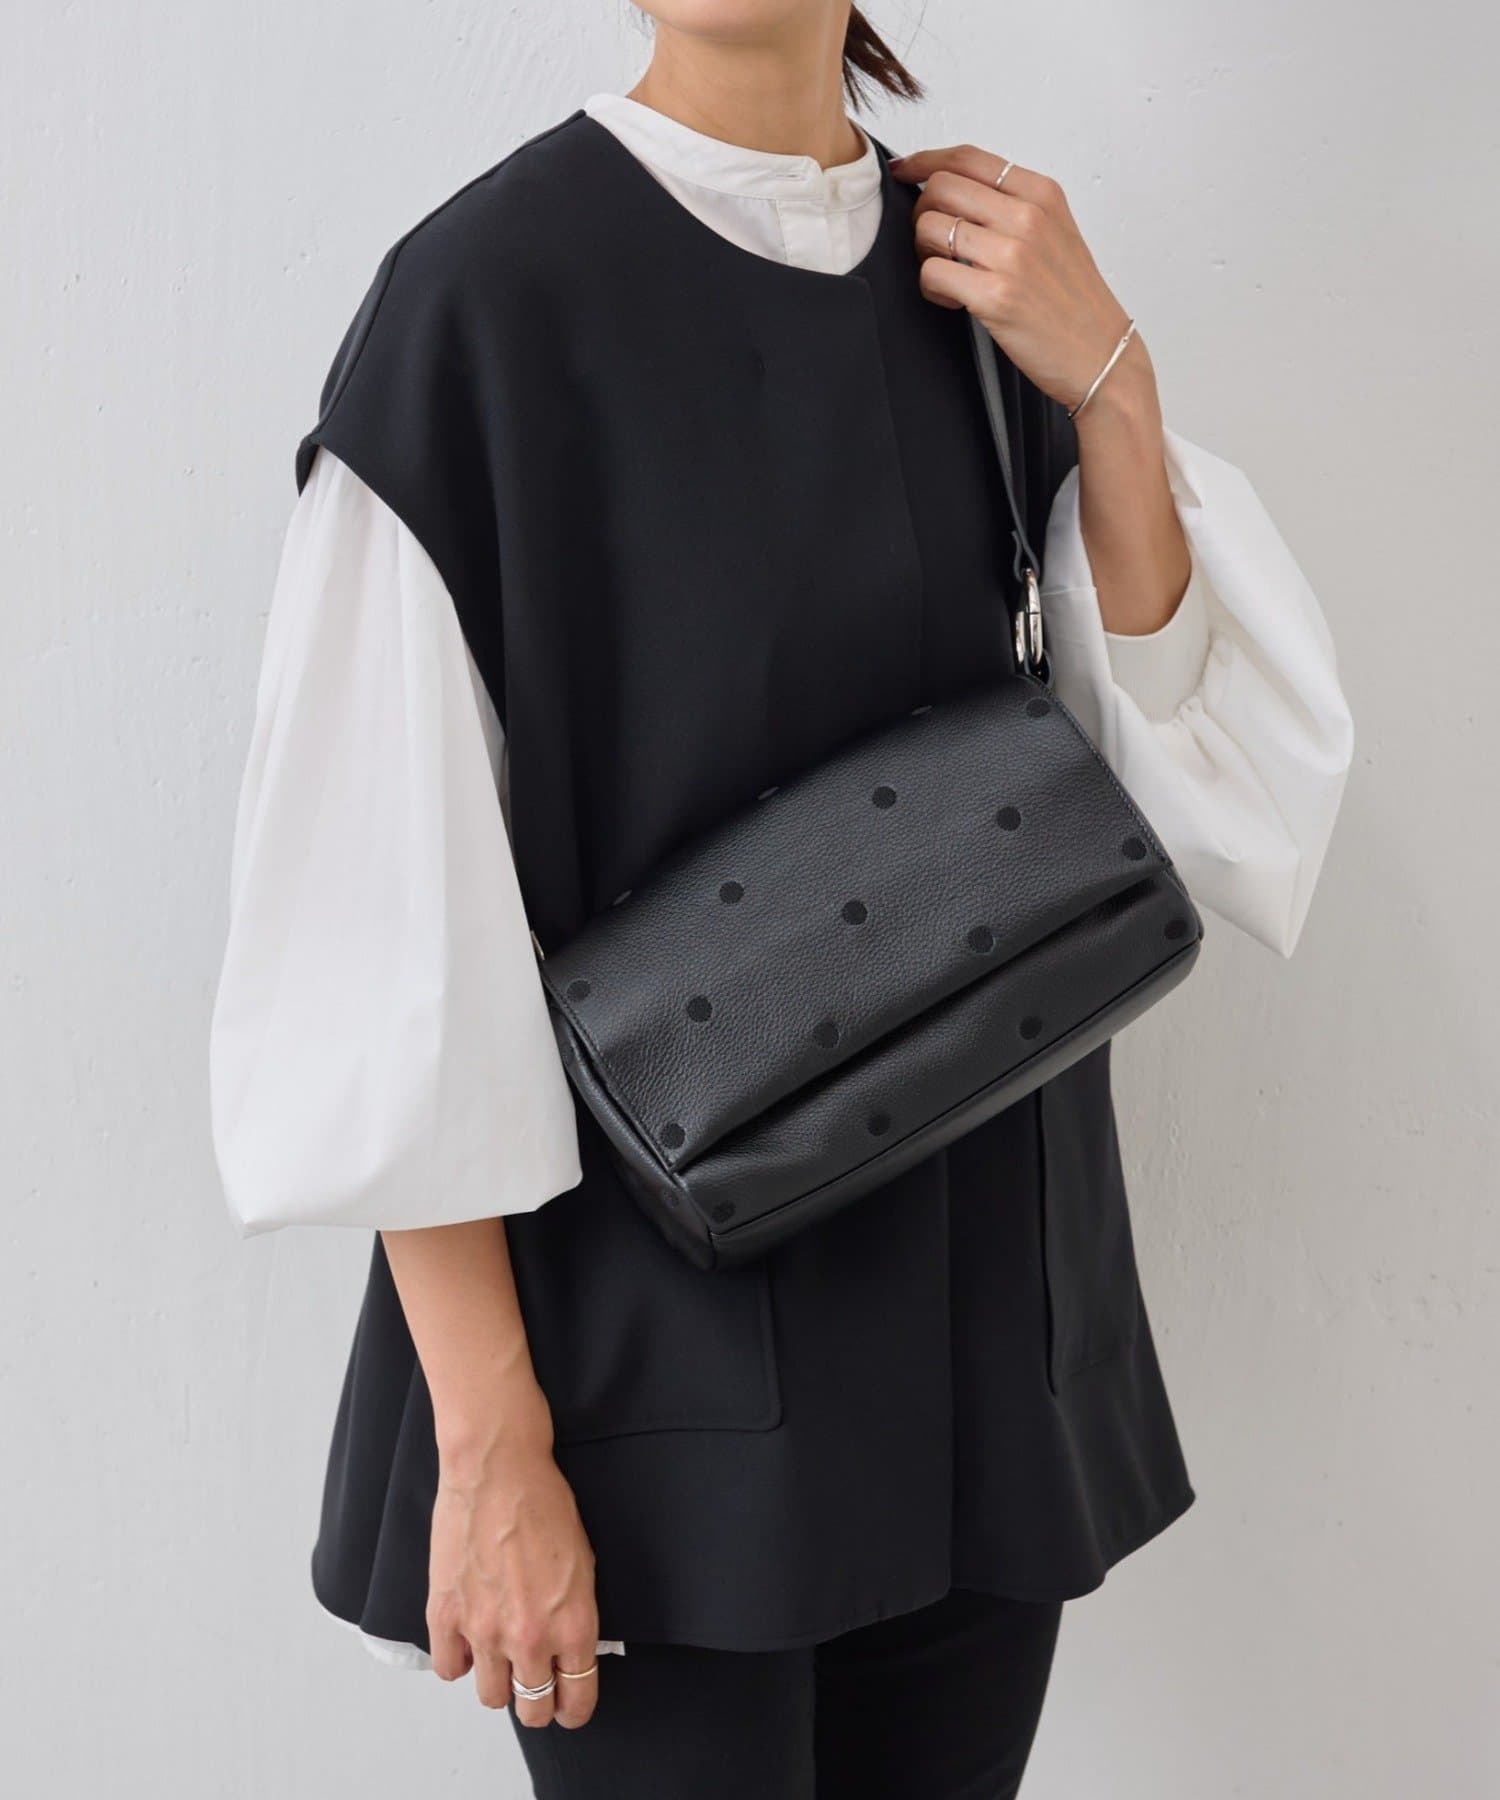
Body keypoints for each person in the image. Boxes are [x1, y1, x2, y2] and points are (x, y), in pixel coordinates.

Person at [210, 5, 1353, 1794]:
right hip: (644, 1398)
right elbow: (378, 920)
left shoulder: (990, 277)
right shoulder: (483, 309)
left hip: (987, 1349)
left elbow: (1182, 815)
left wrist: (1112, 391)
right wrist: (492, 1449)